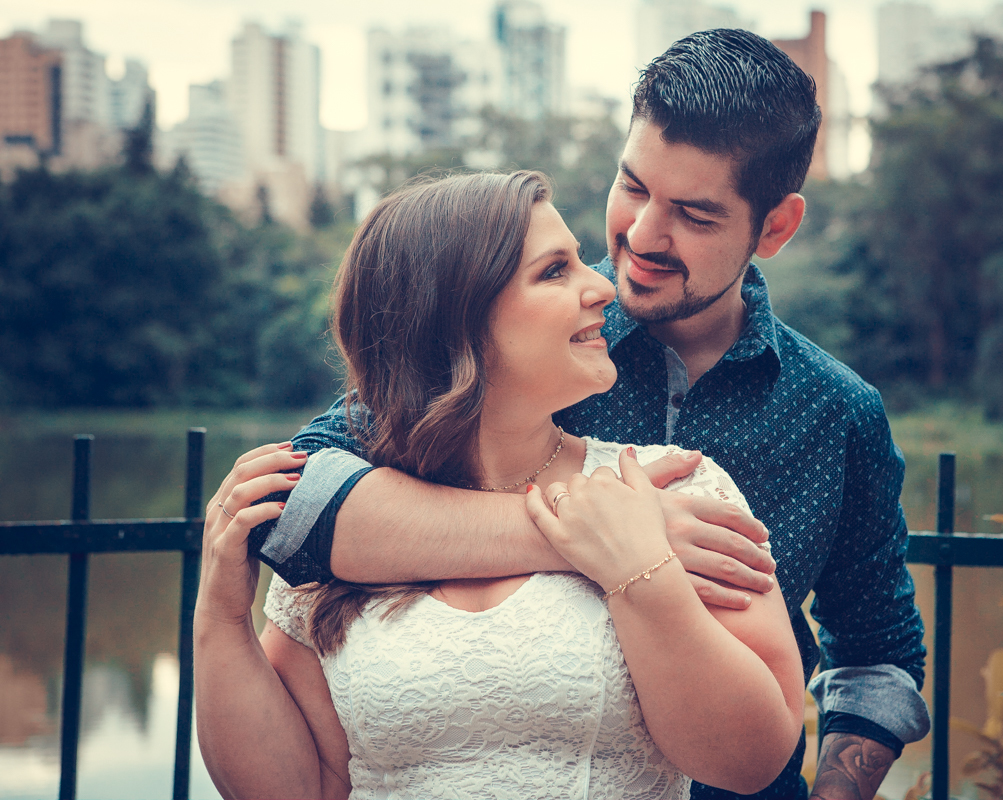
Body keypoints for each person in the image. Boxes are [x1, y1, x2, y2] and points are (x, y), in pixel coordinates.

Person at [239, 28, 928, 800]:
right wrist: (602, 533)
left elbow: (877, 655)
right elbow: (296, 507)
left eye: (694, 216)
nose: (641, 235)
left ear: (775, 227)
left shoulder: (838, 412)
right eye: (633, 186)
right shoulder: (526, 337)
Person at [195, 170, 806, 799]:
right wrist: (220, 617)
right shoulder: (350, 528)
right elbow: (296, 789)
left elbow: (751, 759)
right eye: (554, 271)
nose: (603, 287)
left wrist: (641, 568)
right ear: (454, 321)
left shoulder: (675, 488)